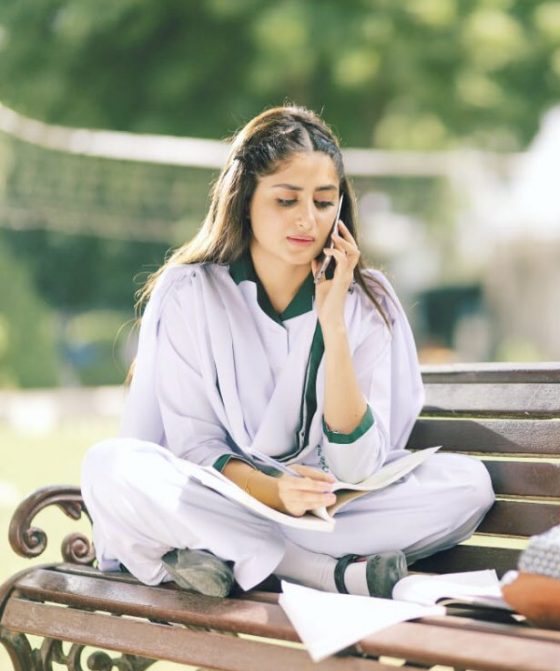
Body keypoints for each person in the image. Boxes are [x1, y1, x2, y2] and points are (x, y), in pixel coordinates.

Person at [80, 105, 495, 599]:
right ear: (245, 200)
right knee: (109, 466)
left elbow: (359, 469)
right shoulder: (189, 293)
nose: (307, 219)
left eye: (324, 202)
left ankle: (221, 558)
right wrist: (275, 493)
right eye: (285, 200)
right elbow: (195, 446)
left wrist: (333, 323)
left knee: (468, 485)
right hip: (227, 496)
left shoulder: (370, 300)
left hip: (331, 512)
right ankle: (322, 572)